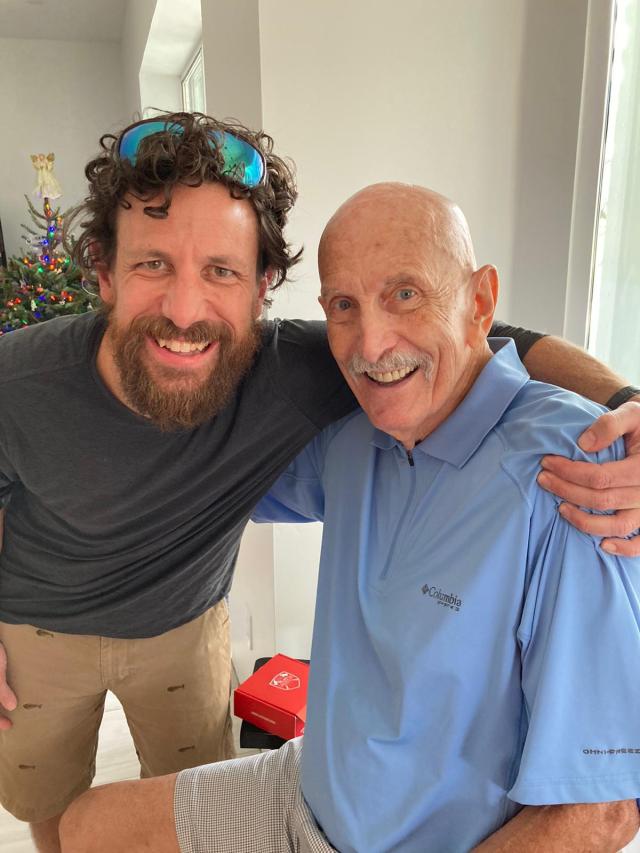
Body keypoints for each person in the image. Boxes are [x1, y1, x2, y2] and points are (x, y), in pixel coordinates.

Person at [0, 113, 638, 852]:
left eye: (406, 294)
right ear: (105, 274)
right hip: (294, 778)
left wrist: (627, 402)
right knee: (79, 823)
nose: (372, 343)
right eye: (343, 306)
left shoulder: (578, 473)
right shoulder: (354, 430)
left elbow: (604, 810)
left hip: (408, 824)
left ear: (260, 290)